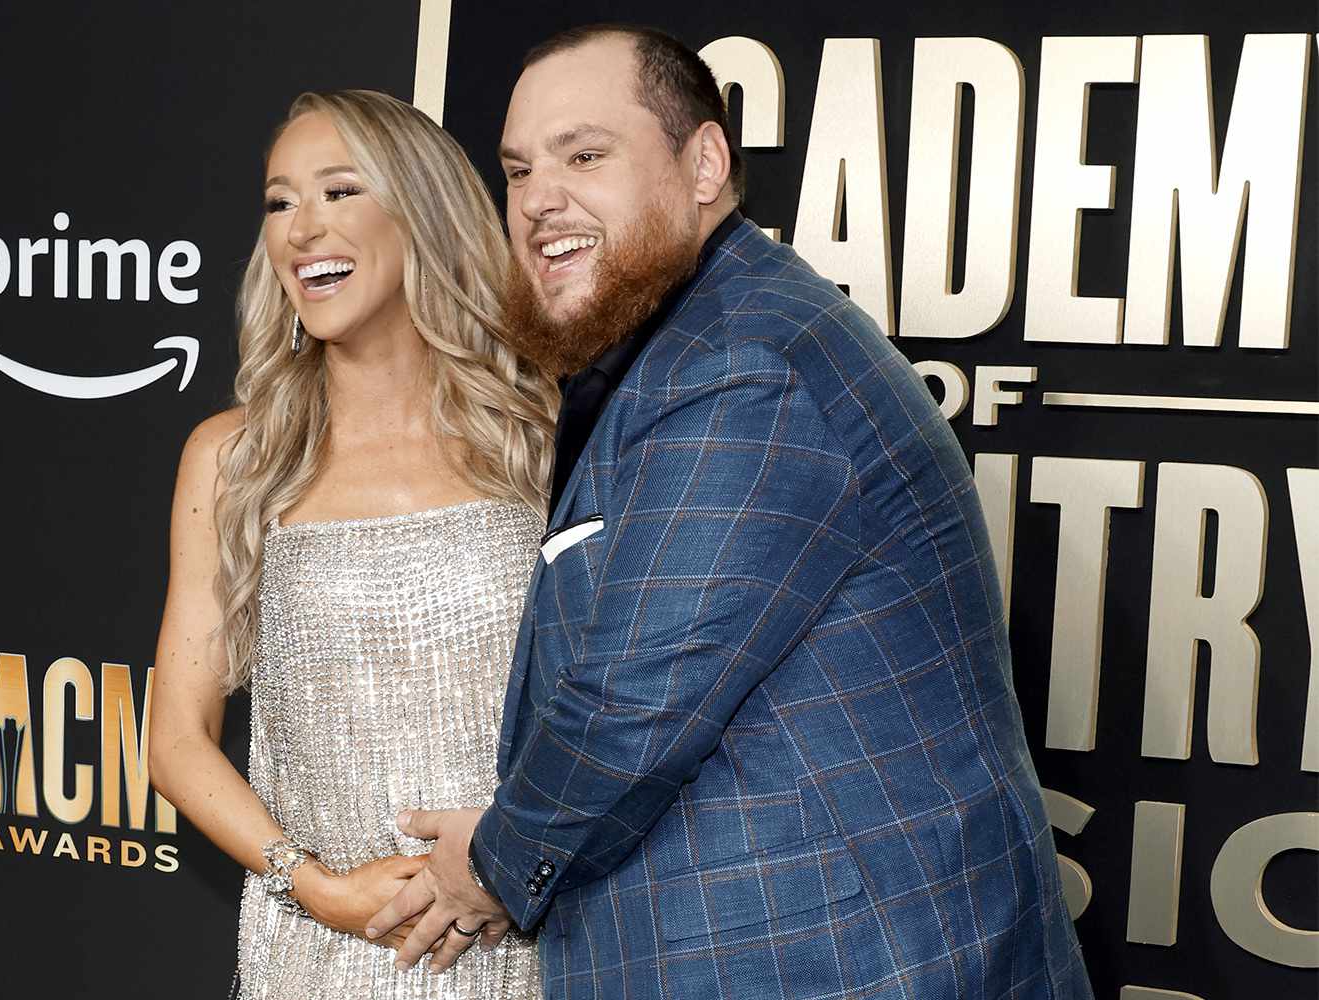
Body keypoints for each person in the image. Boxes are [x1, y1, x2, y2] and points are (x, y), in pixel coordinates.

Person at [366, 25, 1094, 1000]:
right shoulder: (690, 343)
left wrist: (492, 860)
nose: (539, 197)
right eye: (519, 168)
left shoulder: (740, 364)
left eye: (586, 154)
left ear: (704, 162)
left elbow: (633, 700)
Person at [147, 89, 556, 999]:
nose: (300, 229)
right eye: (280, 201)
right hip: (323, 958)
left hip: (529, 947)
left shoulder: (541, 434)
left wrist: (516, 862)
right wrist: (314, 886)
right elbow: (175, 739)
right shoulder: (234, 457)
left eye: (338, 192)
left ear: (422, 211)